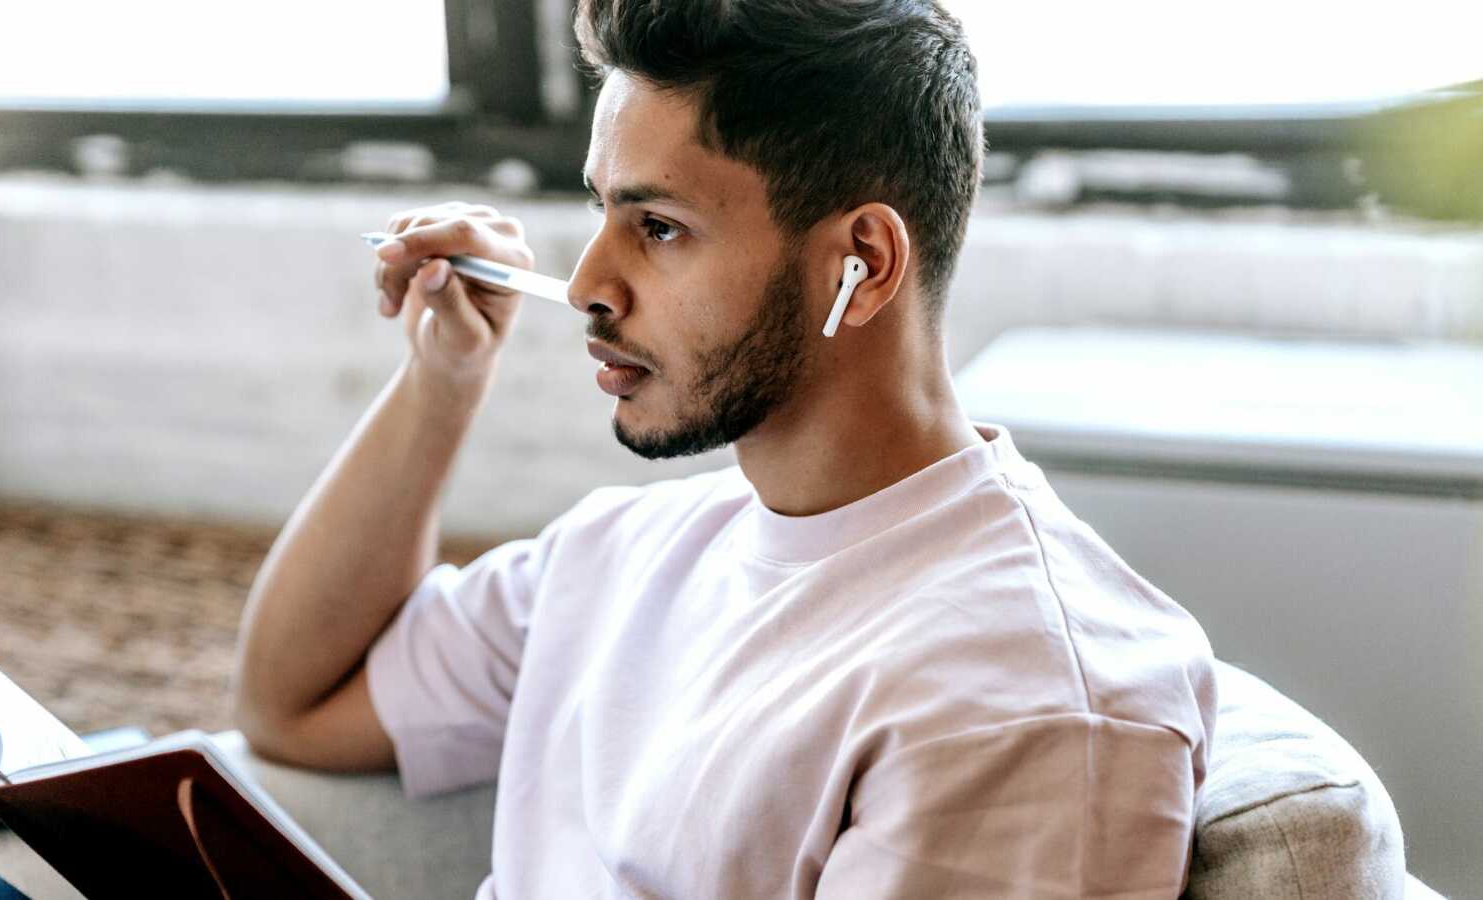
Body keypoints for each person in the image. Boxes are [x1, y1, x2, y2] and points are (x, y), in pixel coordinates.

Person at [235, 1, 1218, 898]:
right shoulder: (622, 551)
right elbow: (292, 707)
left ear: (861, 265)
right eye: (602, 213)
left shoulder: (1021, 707)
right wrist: (443, 381)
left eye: (658, 227)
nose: (587, 287)